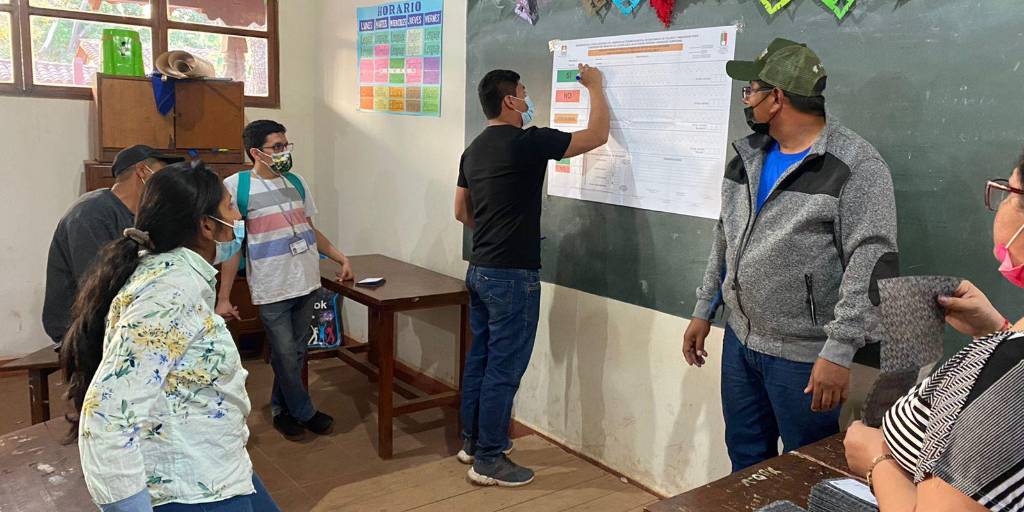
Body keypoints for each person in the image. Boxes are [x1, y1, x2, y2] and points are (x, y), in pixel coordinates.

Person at [681, 38, 900, 472]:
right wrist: (705, 308)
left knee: (806, 470)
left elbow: (872, 262)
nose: (746, 100)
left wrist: (838, 351)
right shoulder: (747, 157)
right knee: (745, 461)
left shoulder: (854, 164)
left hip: (804, 358)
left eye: (750, 90)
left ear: (777, 98)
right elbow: (724, 236)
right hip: (740, 342)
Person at [61, 161, 279, 511]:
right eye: (229, 206)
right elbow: (107, 416)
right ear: (206, 225)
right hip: (189, 487)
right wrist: (128, 505)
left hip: (215, 462)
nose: (239, 216)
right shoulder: (169, 293)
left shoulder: (175, 273)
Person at [453, 64, 610, 487]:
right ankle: (489, 460)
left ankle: (473, 443)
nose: (528, 100)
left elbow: (461, 211)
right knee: (504, 369)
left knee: (481, 359)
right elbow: (597, 136)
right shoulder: (528, 141)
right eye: (523, 92)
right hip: (511, 275)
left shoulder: (474, 149)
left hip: (480, 269)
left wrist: (493, 231)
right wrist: (595, 87)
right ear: (510, 101)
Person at [844, 160, 1024, 512]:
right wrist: (997, 333)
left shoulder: (1011, 386)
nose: (1000, 206)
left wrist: (876, 460)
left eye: (1008, 192)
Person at [215, 120, 354, 441]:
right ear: (256, 152)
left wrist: (340, 257)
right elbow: (233, 245)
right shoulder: (237, 187)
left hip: (306, 280)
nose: (284, 152)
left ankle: (281, 410)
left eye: (285, 145)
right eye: (276, 147)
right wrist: (224, 296)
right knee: (286, 354)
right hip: (272, 286)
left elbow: (308, 229)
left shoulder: (296, 181)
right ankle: (305, 412)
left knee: (296, 353)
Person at [43, 145, 182, 346]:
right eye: (162, 174)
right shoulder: (90, 214)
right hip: (83, 327)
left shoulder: (139, 216)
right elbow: (98, 285)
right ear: (142, 171)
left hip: (123, 319)